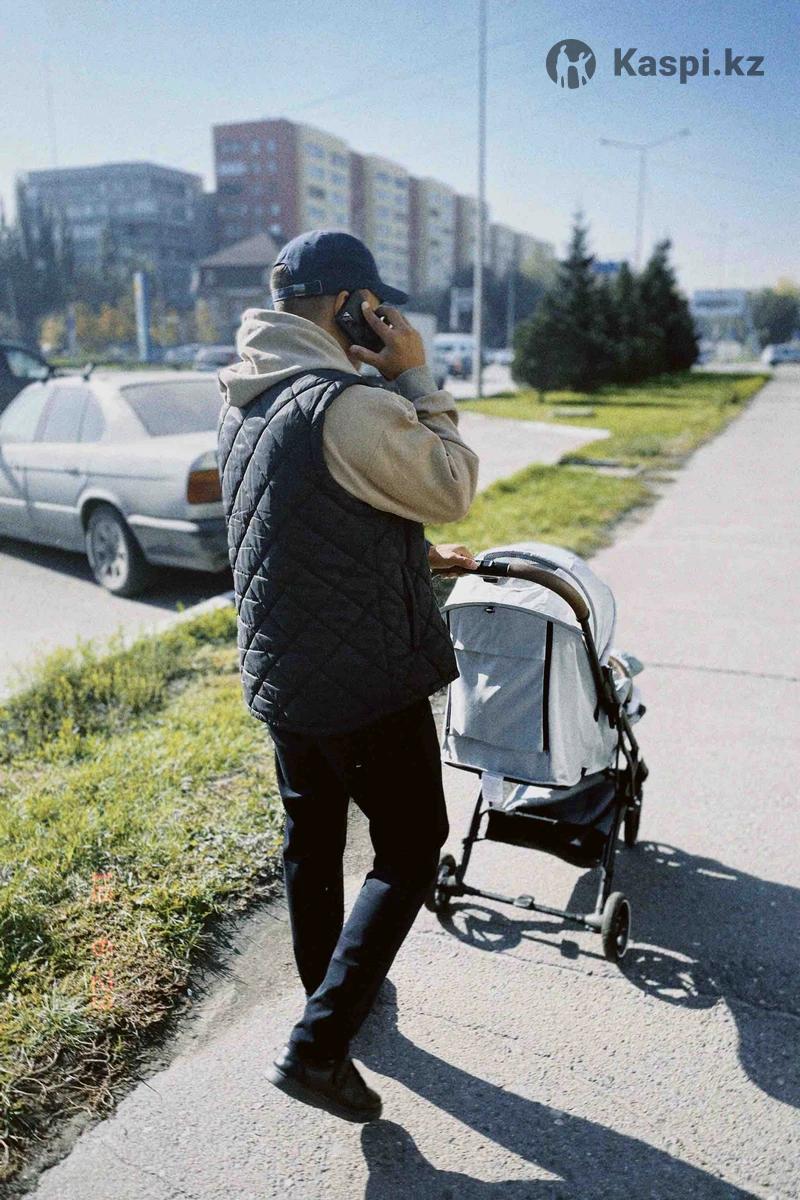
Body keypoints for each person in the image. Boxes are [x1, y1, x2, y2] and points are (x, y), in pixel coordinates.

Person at [217, 230, 479, 1122]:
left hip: (285, 670)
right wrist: (416, 375)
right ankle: (318, 1050)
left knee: (314, 834)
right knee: (411, 845)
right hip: (362, 677)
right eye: (376, 306)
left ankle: (326, 992)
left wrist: (412, 556)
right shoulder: (347, 403)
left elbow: (299, 517)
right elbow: (450, 484)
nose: (385, 319)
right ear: (349, 307)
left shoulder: (248, 392)